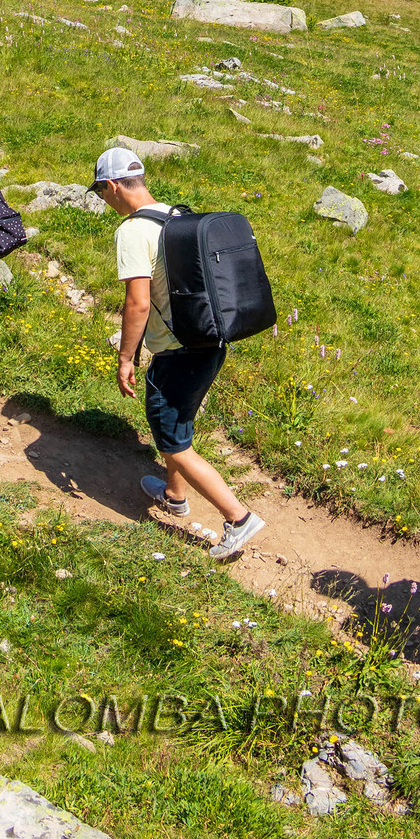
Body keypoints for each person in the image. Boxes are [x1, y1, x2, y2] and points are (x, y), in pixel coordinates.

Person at [97, 146, 266, 562]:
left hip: (176, 353)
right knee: (178, 422)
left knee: (173, 443)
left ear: (113, 186)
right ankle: (175, 495)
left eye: (100, 191)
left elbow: (137, 303)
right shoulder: (176, 216)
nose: (103, 199)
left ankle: (239, 519)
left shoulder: (132, 231)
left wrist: (126, 358)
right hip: (210, 342)